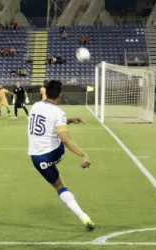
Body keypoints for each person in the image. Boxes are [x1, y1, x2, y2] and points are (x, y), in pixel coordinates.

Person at [28, 80, 94, 230]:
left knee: (60, 186)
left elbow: (47, 122)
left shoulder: (36, 106)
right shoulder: (58, 113)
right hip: (55, 153)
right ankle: (83, 216)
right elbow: (65, 139)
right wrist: (83, 154)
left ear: (45, 92)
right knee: (60, 137)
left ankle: (83, 216)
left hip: (36, 158)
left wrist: (68, 121)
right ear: (60, 94)